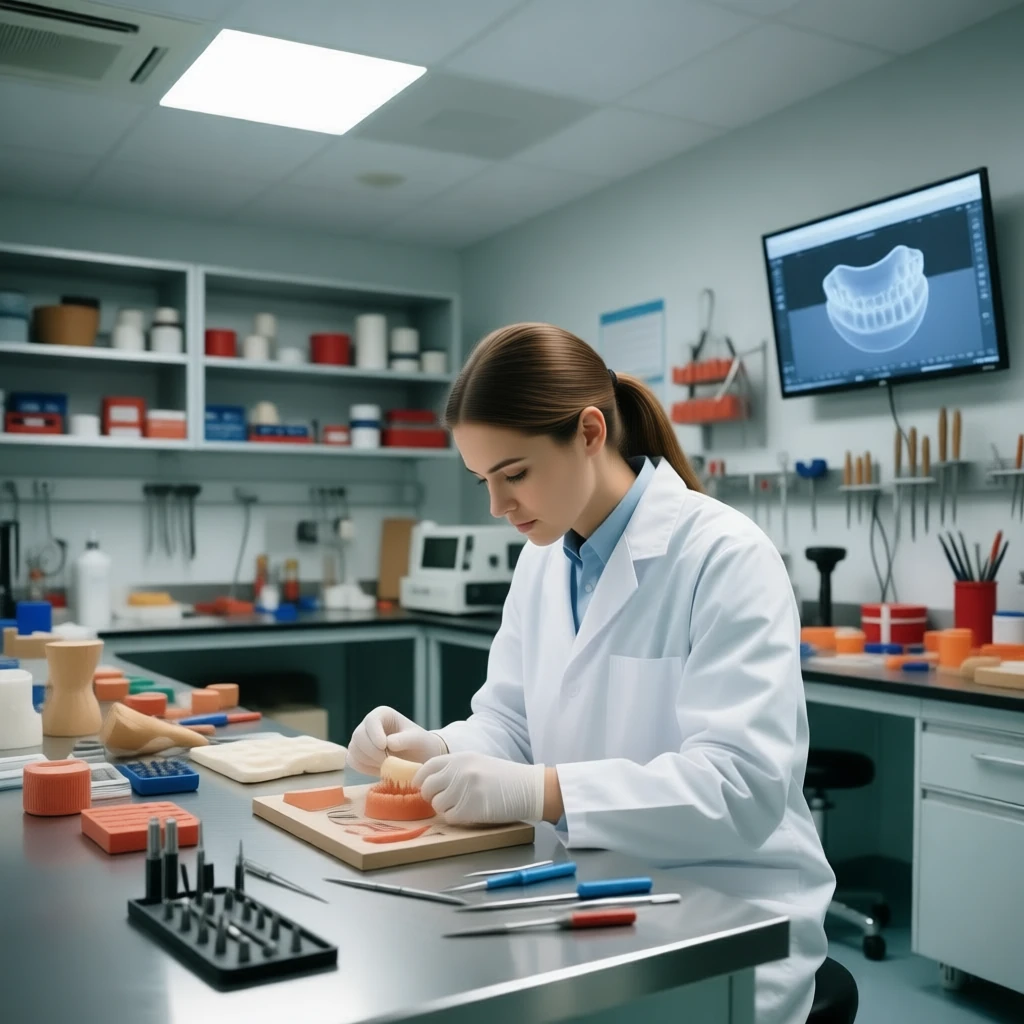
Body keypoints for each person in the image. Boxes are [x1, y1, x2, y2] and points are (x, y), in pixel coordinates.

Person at [347, 322, 835, 1024]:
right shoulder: (542, 559)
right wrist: (439, 748)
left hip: (727, 912)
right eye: (483, 481)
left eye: (514, 474)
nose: (497, 506)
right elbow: (511, 721)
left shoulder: (725, 556)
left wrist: (545, 791)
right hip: (580, 890)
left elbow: (741, 789)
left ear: (589, 433)